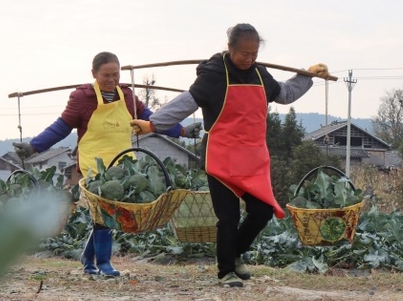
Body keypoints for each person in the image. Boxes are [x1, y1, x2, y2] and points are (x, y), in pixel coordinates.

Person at [131, 24, 329, 283]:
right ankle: (226, 271)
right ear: (230, 49)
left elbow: (285, 93)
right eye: (243, 54)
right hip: (222, 158)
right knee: (229, 217)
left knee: (262, 212)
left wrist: (307, 75)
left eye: (254, 54)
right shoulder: (213, 75)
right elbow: (186, 102)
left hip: (254, 159)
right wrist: (154, 124)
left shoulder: (260, 74)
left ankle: (234, 253)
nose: (249, 59)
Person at [13, 51, 202, 277]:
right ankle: (102, 263)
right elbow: (61, 127)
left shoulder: (128, 97)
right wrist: (34, 147)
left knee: (107, 213)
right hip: (95, 164)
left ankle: (88, 259)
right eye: (106, 75)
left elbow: (153, 121)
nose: (112, 80)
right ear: (94, 74)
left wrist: (182, 130)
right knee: (104, 211)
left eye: (116, 74)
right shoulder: (82, 98)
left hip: (123, 164)